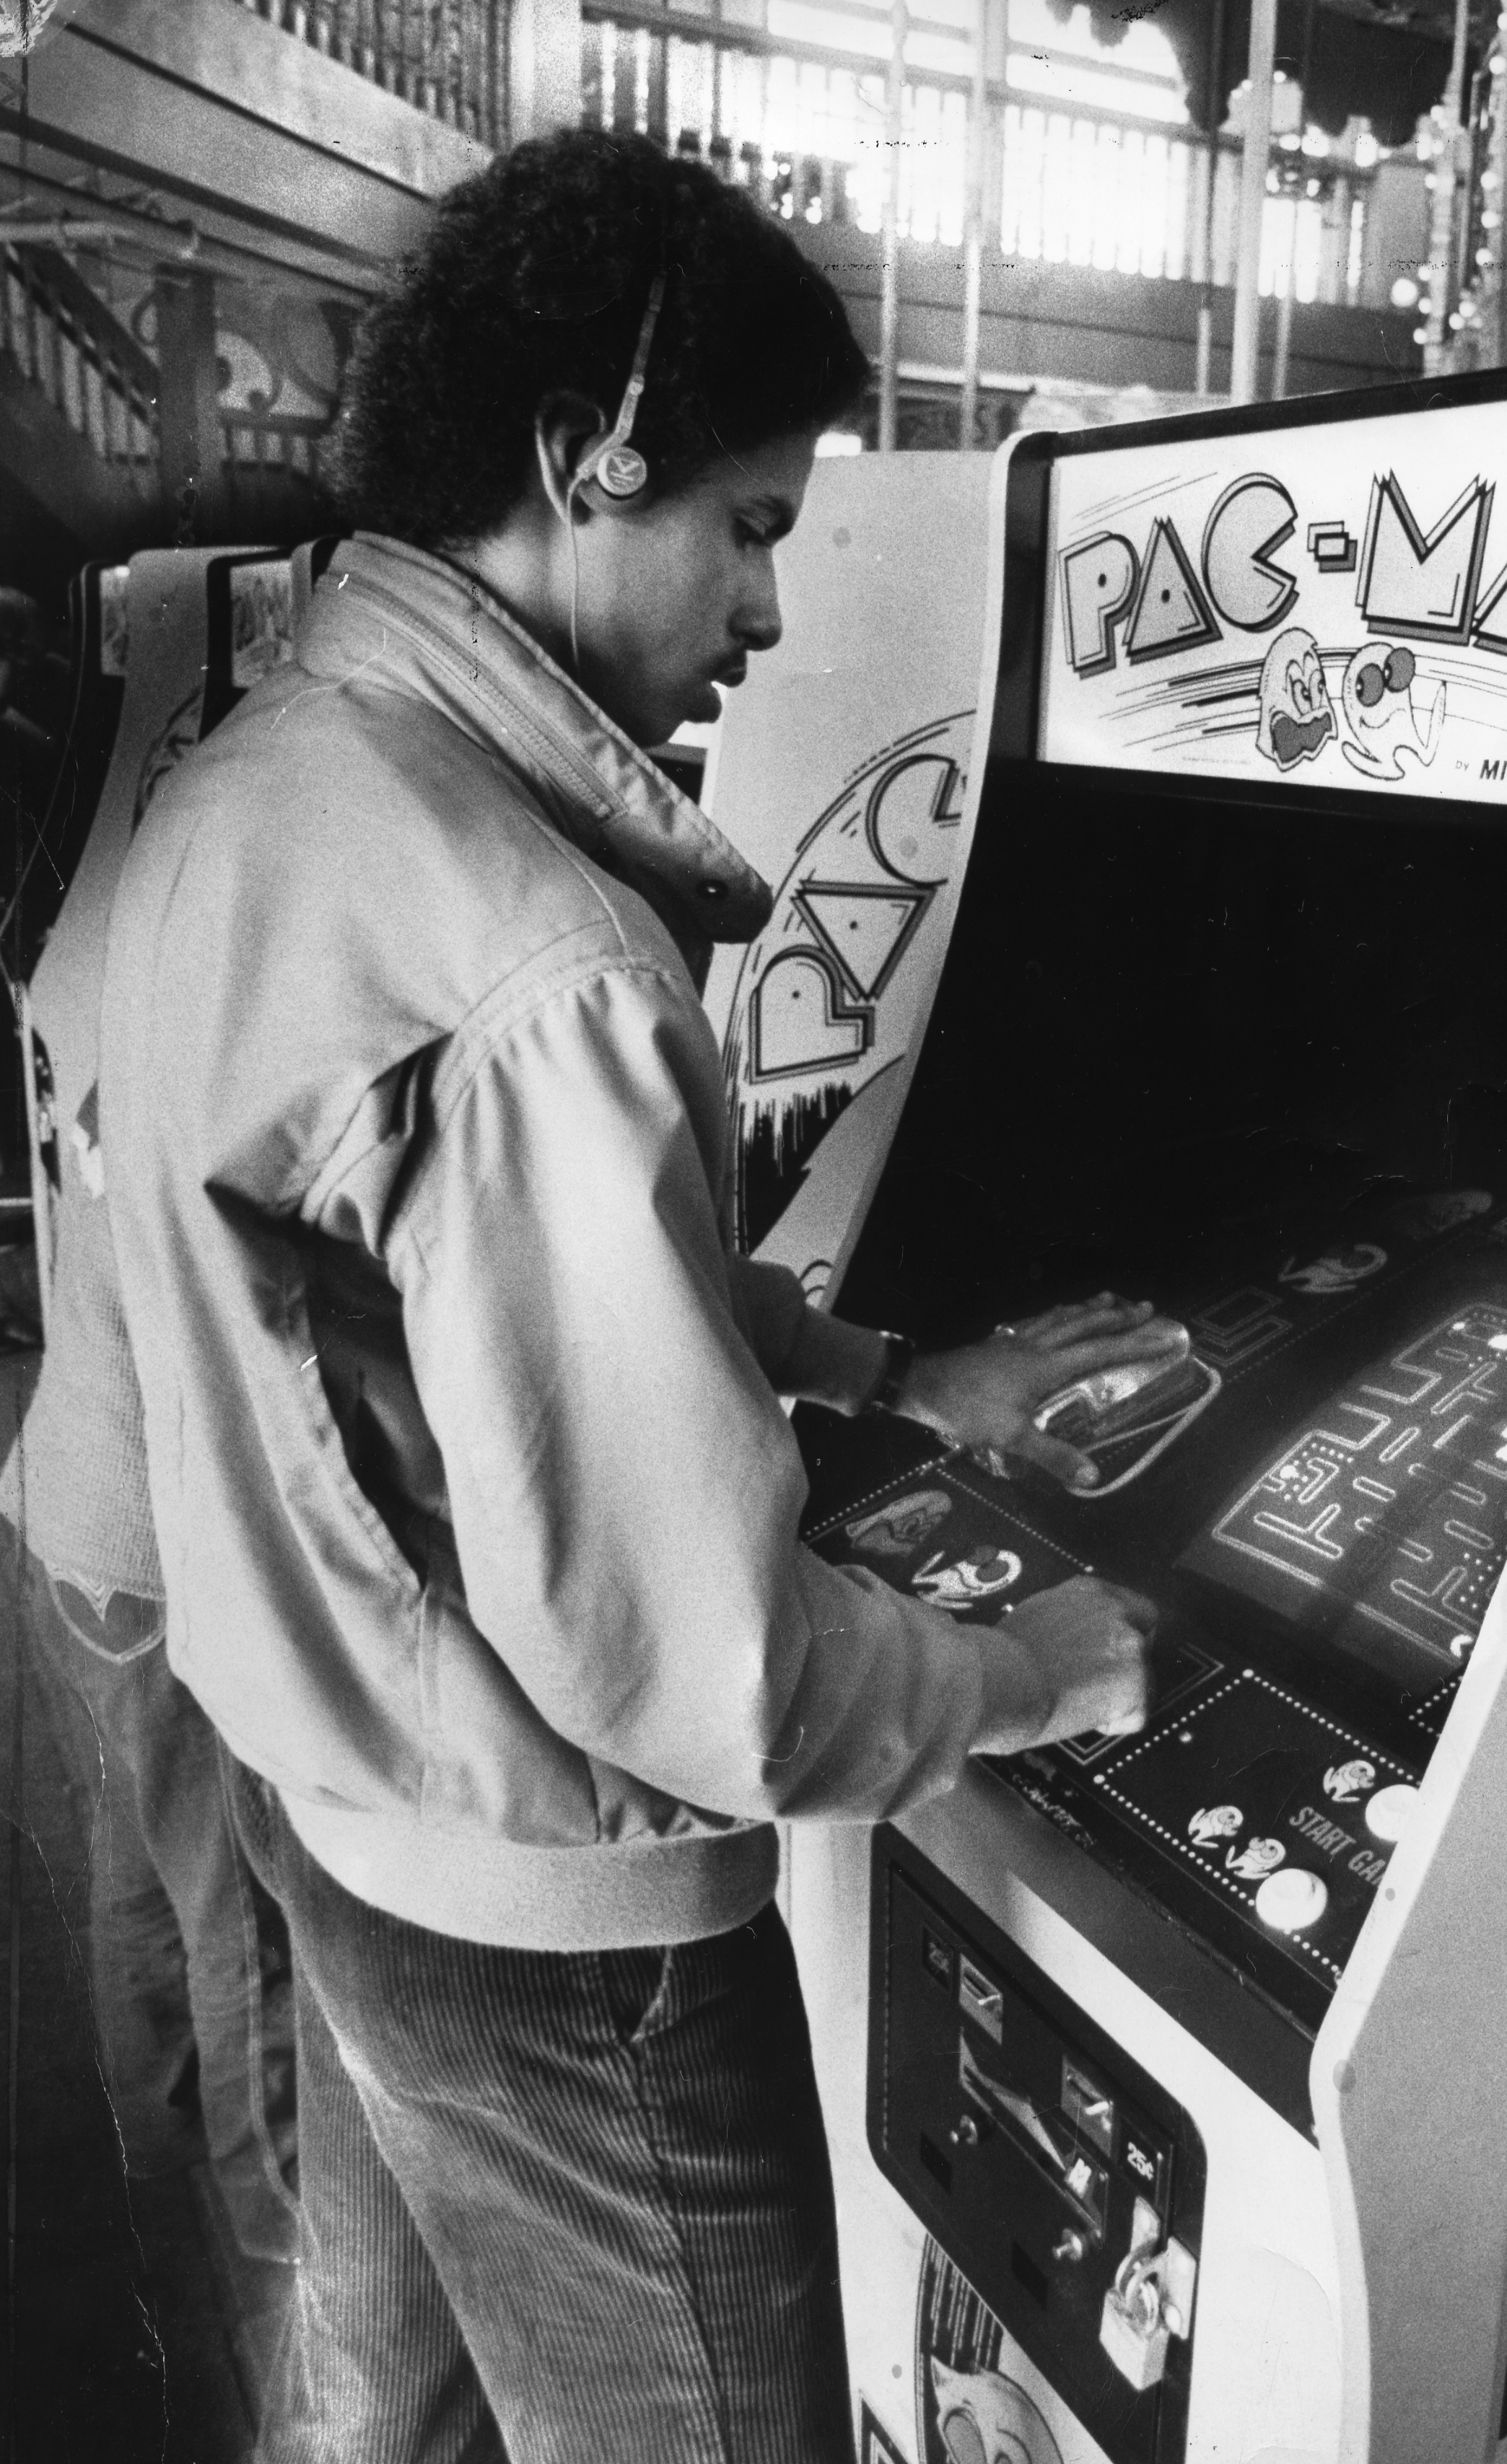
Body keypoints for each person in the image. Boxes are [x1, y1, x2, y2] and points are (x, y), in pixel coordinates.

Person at [98, 130, 1174, 2464]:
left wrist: (887, 1369)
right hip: (555, 1937)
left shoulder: (261, 784)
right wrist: (1026, 1671)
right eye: (758, 524)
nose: (771, 614)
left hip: (338, 1795)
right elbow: (695, 1665)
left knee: (384, 2404)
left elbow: (413, 1298)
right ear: (596, 463)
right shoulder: (537, 950)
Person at [1, 576, 300, 2279]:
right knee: (234, 1918)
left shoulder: (88, 932)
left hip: (58, 1501)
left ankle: (143, 2176)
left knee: (134, 1870)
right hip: (148, 1540)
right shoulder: (205, 996)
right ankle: (277, 2259)